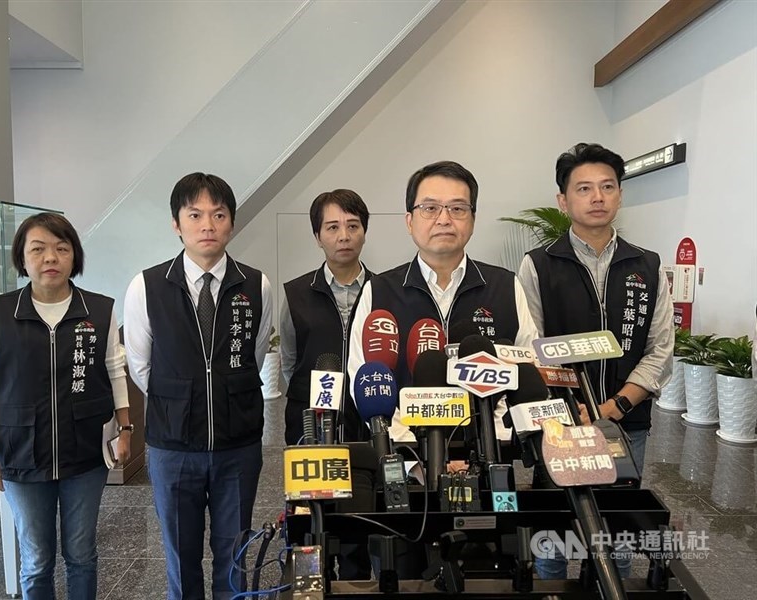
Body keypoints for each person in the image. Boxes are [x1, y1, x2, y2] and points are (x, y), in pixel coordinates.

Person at [517, 142, 674, 579]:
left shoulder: (646, 264)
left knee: (615, 532)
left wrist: (614, 407)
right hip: (560, 425)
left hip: (627, 423)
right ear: (563, 201)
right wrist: (572, 409)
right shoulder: (538, 266)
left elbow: (660, 349)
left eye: (608, 186)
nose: (598, 196)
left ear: (620, 195)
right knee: (551, 535)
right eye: (584, 188)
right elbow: (531, 346)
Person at [124, 172, 272, 600]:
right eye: (195, 215)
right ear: (177, 224)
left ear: (231, 223)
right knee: (180, 554)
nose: (207, 225)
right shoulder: (147, 286)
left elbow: (255, 356)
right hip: (173, 447)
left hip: (237, 445)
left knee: (234, 553)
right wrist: (184, 400)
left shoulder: (255, 285)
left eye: (218, 214)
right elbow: (142, 366)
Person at [0, 213, 131, 600]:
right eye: (38, 249)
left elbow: (115, 371)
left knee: (81, 554)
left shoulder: (99, 310)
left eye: (62, 248)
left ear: (74, 257)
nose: (50, 258)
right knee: (37, 559)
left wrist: (125, 430)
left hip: (85, 453)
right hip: (23, 453)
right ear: (22, 259)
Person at [348, 160, 539, 442]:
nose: (444, 219)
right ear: (409, 221)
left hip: (492, 456)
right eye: (430, 208)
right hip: (407, 461)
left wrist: (493, 444)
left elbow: (527, 366)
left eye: (457, 208)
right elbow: (363, 377)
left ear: (472, 220)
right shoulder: (378, 290)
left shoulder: (505, 285)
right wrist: (411, 452)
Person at [281, 189, 372, 446]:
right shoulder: (296, 293)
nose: (344, 236)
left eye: (353, 226)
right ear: (318, 237)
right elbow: (289, 362)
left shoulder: (384, 291)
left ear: (364, 233)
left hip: (367, 423)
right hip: (309, 424)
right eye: (332, 227)